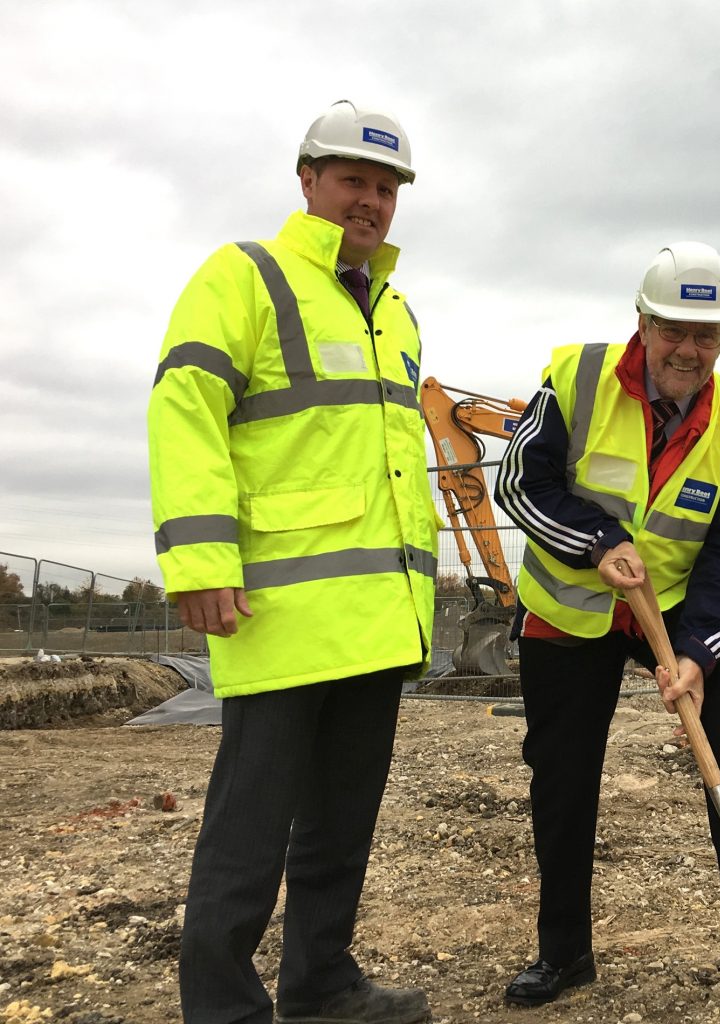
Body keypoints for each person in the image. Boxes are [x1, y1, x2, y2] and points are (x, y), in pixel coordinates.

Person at [495, 242, 720, 1006]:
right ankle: (564, 952)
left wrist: (695, 652)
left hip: (678, 599)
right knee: (562, 775)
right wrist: (596, 541)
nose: (690, 350)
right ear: (644, 322)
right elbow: (521, 485)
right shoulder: (576, 382)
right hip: (572, 606)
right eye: (675, 330)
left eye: (708, 334)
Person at [147, 100, 437, 1024]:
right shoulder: (245, 277)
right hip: (276, 614)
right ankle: (225, 1009)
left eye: (386, 187)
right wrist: (197, 558)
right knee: (248, 835)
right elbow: (185, 406)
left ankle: (322, 987)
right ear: (307, 179)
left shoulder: (394, 311)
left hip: (376, 620)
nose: (371, 200)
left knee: (340, 830)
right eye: (354, 179)